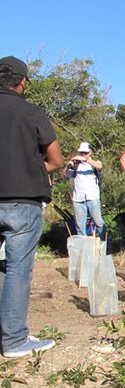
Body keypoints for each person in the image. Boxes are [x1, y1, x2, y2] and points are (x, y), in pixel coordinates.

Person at [0, 56, 64, 358]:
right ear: (22, 82)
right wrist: (30, 168)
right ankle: (13, 340)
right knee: (17, 268)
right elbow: (56, 160)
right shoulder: (31, 112)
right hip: (22, 201)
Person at [60, 142, 105, 240]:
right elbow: (64, 177)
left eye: (86, 152)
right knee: (80, 225)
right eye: (81, 153)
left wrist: (86, 159)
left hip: (92, 197)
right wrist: (68, 166)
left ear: (90, 152)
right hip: (78, 199)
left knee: (99, 222)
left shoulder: (94, 164)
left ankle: (105, 245)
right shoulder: (76, 166)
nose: (83, 155)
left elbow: (99, 167)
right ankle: (83, 248)